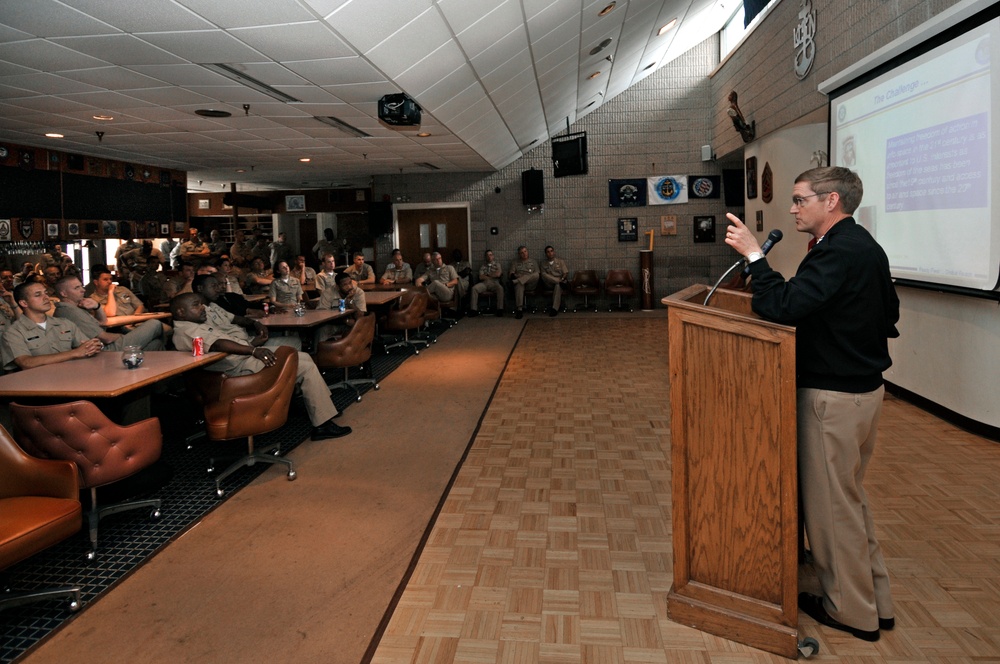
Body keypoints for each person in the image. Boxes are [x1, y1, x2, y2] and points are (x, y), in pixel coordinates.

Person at [724, 166, 898, 642]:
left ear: (832, 202)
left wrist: (756, 256)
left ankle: (851, 613)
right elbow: (891, 313)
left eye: (801, 199)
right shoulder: (865, 246)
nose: (794, 207)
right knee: (849, 500)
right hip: (864, 392)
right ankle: (875, 602)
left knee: (830, 509)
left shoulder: (839, 251)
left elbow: (780, 306)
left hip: (832, 398)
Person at [170, 292, 351, 440]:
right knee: (302, 363)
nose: (203, 308)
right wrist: (252, 351)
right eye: (196, 305)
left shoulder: (194, 324)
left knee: (297, 355)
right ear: (180, 312)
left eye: (201, 304)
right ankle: (322, 423)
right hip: (236, 370)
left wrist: (253, 344)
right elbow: (218, 344)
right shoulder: (185, 330)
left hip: (242, 360)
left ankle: (322, 410)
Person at [1, 281, 103, 372]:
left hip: (71, 375)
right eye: (38, 295)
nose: (46, 297)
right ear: (24, 303)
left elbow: (86, 347)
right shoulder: (13, 332)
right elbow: (26, 362)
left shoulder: (64, 324)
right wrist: (74, 353)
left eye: (45, 293)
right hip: (37, 385)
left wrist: (94, 345)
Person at [54, 276, 163, 351]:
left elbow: (102, 321)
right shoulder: (69, 311)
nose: (82, 290)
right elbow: (106, 338)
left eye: (81, 286)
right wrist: (130, 337)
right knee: (154, 324)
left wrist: (97, 307)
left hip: (106, 345)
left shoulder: (77, 307)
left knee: (156, 344)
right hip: (104, 350)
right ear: (63, 293)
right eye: (76, 288)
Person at [468, 249, 504, 317]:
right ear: (485, 257)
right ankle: (473, 310)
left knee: (500, 288)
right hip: (484, 283)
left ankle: (500, 309)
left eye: (490, 255)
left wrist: (487, 275)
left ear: (493, 256)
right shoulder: (483, 266)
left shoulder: (497, 265)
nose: (489, 257)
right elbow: (481, 277)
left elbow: (498, 274)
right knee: (474, 288)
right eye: (487, 255)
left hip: (494, 283)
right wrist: (492, 275)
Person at [508, 245, 539, 319]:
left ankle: (515, 281)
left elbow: (537, 273)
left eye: (525, 251)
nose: (524, 254)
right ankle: (519, 310)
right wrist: (517, 276)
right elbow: (510, 274)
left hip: (531, 283)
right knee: (519, 284)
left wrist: (523, 277)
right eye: (522, 253)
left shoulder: (533, 261)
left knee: (536, 275)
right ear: (519, 254)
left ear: (527, 252)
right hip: (520, 282)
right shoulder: (515, 262)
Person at [539, 245, 569, 317]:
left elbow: (565, 273)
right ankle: (559, 281)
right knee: (544, 274)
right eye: (548, 252)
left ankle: (554, 309)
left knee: (558, 285)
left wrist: (562, 279)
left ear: (554, 252)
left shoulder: (560, 262)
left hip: (559, 282)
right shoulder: (543, 263)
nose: (550, 253)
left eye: (551, 251)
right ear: (546, 254)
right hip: (548, 283)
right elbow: (543, 275)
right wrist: (559, 280)